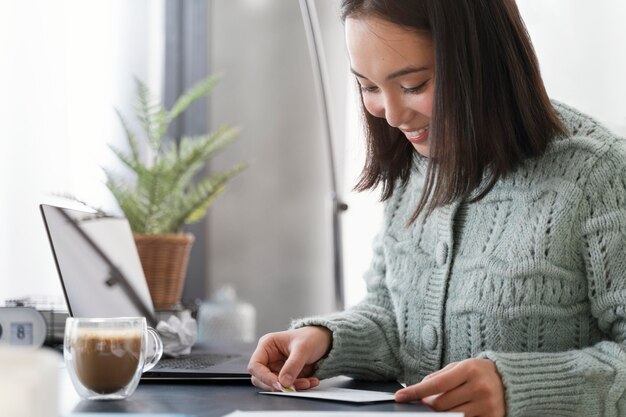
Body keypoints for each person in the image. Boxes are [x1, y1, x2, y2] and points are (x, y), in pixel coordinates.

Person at [247, 1, 626, 416]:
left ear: (484, 60)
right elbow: (394, 316)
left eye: (412, 85)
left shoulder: (596, 174)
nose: (391, 116)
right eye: (369, 87)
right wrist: (327, 340)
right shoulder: (415, 163)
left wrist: (521, 387)